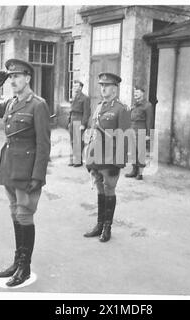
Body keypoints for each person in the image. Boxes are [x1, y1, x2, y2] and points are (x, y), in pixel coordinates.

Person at [0, 58, 51, 286]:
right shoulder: (11, 103)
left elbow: (44, 144)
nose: (12, 81)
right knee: (14, 214)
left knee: (24, 215)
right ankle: (17, 263)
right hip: (9, 167)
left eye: (17, 76)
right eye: (10, 77)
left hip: (27, 171)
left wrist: (38, 176)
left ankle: (25, 268)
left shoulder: (37, 104)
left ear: (28, 78)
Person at [84, 72, 131, 242]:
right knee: (99, 190)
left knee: (109, 190)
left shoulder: (121, 109)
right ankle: (99, 224)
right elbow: (92, 133)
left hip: (110, 159)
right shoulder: (99, 107)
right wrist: (89, 157)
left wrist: (118, 163)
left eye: (106, 85)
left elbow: (124, 138)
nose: (103, 88)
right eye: (101, 85)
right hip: (96, 156)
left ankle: (107, 228)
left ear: (114, 88)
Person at [125, 85, 153, 180]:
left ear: (143, 93)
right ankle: (134, 171)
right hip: (133, 129)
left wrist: (148, 134)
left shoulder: (147, 105)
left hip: (141, 130)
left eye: (137, 92)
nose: (135, 94)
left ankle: (140, 174)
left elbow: (149, 121)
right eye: (134, 92)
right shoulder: (134, 104)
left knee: (140, 152)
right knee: (133, 151)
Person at [68, 80, 91, 167]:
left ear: (81, 87)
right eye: (74, 86)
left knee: (78, 141)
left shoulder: (85, 98)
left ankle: (78, 160)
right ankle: (74, 159)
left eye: (77, 86)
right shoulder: (74, 97)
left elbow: (87, 112)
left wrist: (83, 124)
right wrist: (69, 122)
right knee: (72, 141)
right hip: (73, 119)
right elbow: (71, 111)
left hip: (79, 119)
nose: (75, 88)